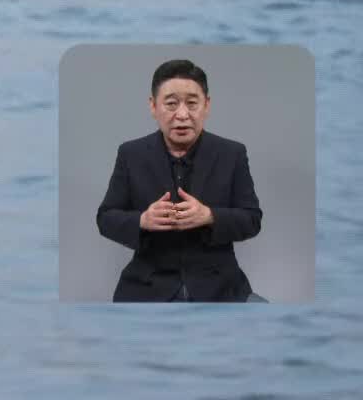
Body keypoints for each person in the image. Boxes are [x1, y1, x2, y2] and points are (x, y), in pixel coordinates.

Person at [95, 58, 264, 302]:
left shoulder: (232, 153)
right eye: (171, 104)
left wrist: (209, 216)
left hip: (220, 287)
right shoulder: (131, 154)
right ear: (153, 106)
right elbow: (106, 218)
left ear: (207, 105)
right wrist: (143, 220)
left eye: (192, 103)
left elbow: (252, 219)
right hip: (148, 285)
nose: (182, 114)